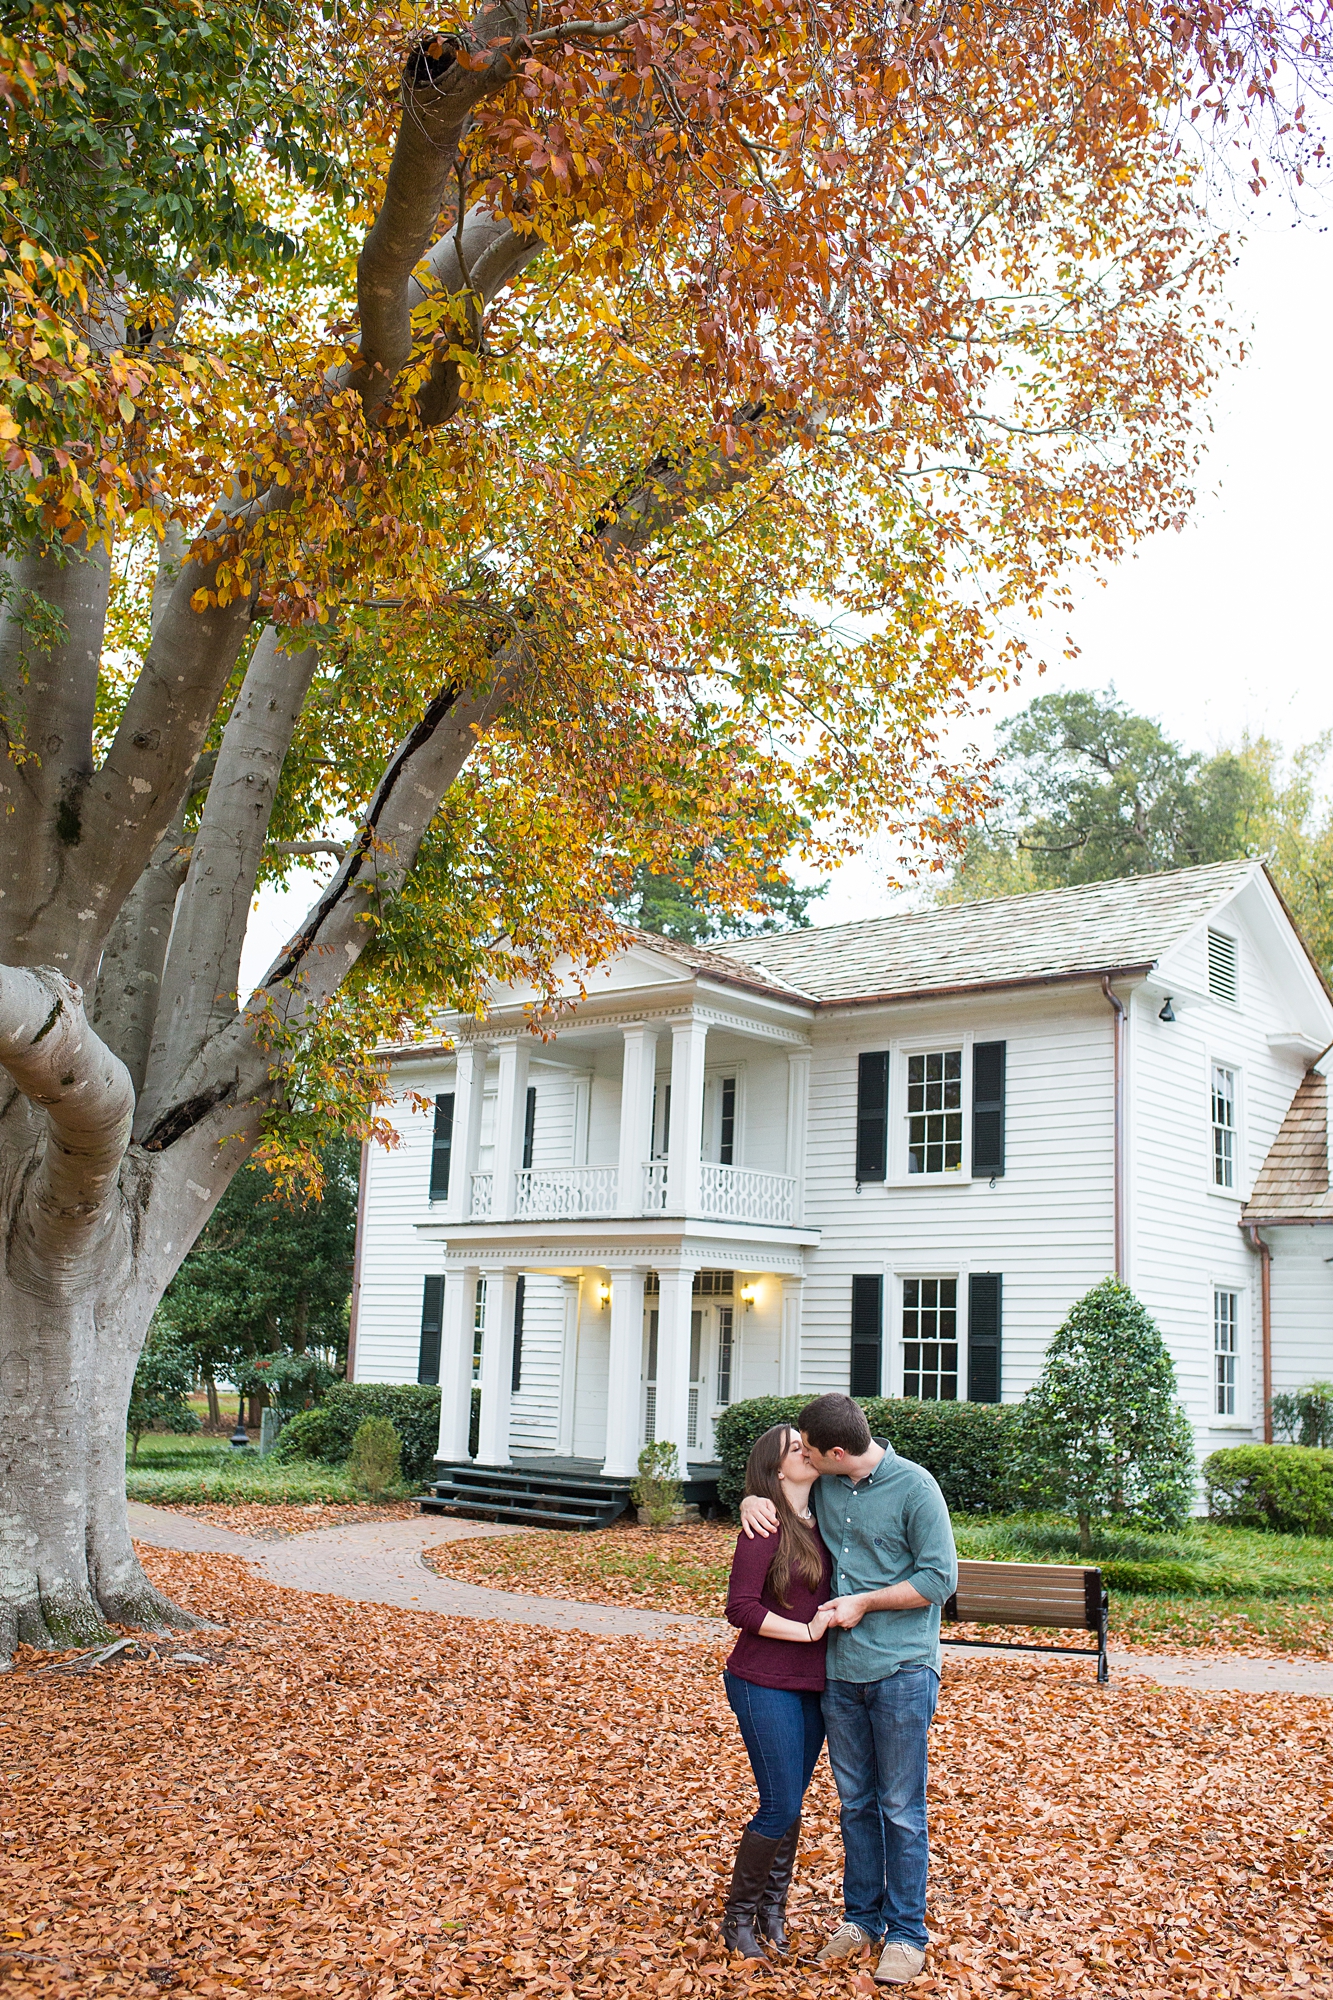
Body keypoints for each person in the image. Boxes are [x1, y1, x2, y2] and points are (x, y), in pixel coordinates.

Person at [739, 1394, 957, 1987]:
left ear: (837, 1452)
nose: (803, 1454)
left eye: (810, 1448)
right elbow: (784, 1500)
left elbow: (940, 1579)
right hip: (839, 1674)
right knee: (856, 1805)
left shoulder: (916, 1489)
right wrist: (752, 1497)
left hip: (903, 1671)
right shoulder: (830, 1485)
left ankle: (907, 1933)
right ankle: (860, 1920)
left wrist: (865, 1601)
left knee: (901, 1809)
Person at [721, 1423, 835, 1960]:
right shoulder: (763, 1525)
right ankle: (739, 1916)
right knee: (780, 1803)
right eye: (796, 1449)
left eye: (808, 1446)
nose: (806, 1453)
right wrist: (806, 1631)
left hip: (815, 1684)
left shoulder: (829, 1512)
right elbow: (739, 1608)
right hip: (762, 1679)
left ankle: (773, 1908)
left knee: (792, 1804)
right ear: (774, 1468)